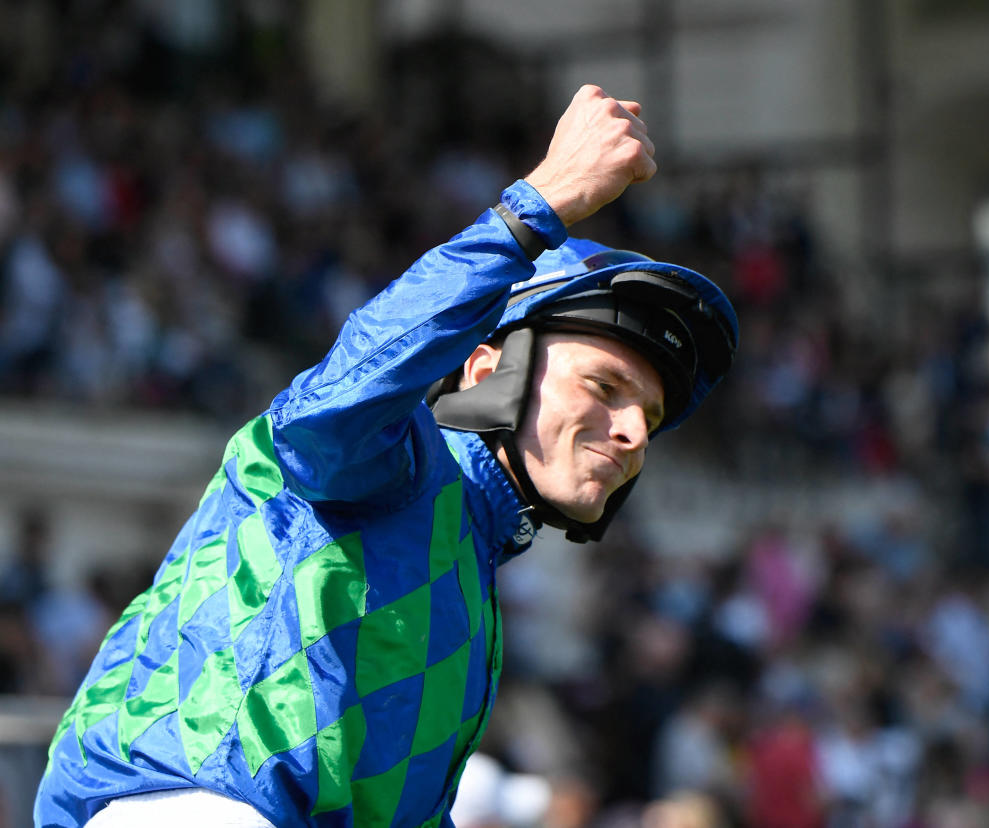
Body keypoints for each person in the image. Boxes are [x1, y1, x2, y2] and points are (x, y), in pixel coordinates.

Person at [33, 84, 738, 828]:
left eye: (650, 417)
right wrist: (535, 207)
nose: (633, 433)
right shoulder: (385, 458)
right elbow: (344, 387)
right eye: (605, 385)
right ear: (483, 371)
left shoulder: (474, 575)